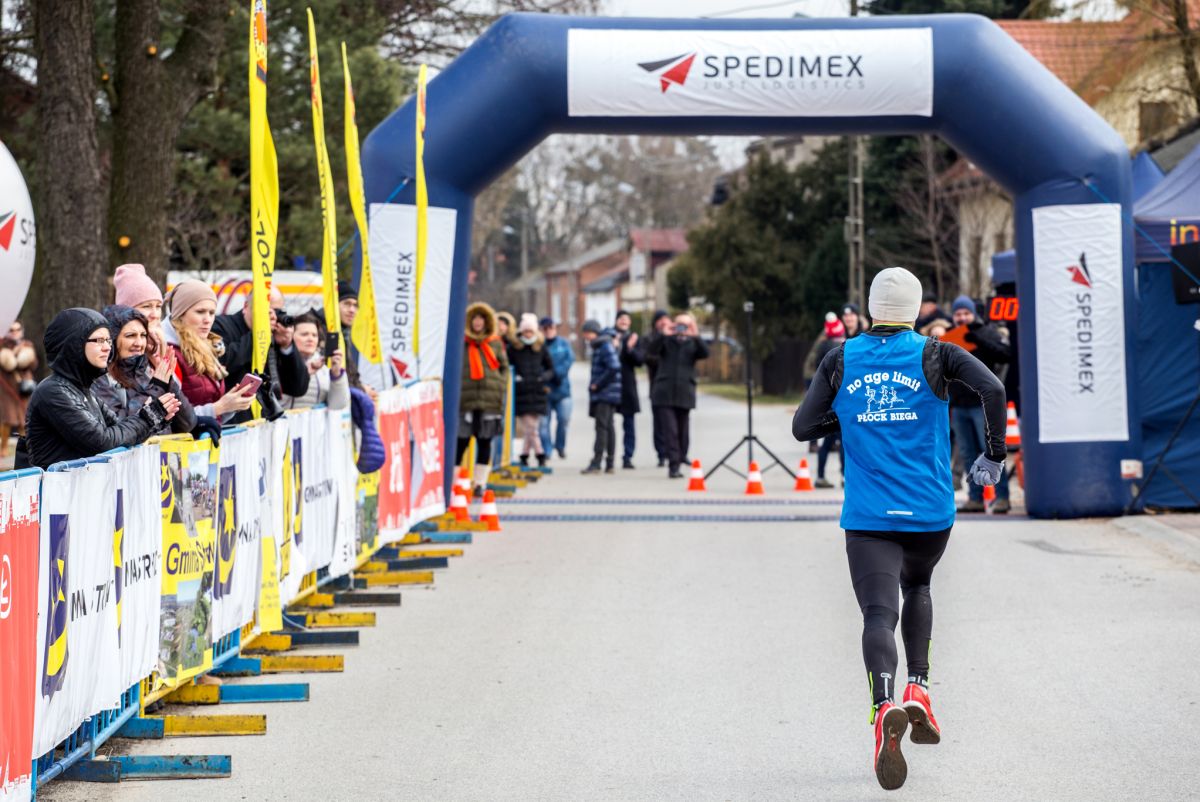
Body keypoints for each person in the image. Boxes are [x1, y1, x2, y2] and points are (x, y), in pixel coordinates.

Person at [791, 267, 1007, 791]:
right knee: (919, 586)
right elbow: (994, 387)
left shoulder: (841, 357)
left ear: (870, 307)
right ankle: (919, 688)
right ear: (915, 309)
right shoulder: (937, 353)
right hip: (929, 511)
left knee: (877, 613)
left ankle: (884, 703)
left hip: (869, 515)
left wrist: (849, 418)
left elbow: (802, 427)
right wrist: (994, 455)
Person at [19, 308, 180, 470]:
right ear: (74, 344)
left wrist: (156, 419)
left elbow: (121, 431)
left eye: (108, 340)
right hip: (58, 485)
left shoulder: (83, 389)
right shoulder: (53, 391)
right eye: (99, 340)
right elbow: (103, 443)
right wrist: (149, 417)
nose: (107, 347)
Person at [946, 294, 1012, 513]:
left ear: (973, 314)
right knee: (967, 453)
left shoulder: (986, 332)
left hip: (982, 404)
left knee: (990, 451)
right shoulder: (950, 337)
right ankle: (975, 498)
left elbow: (1005, 355)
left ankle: (1002, 497)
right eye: (958, 314)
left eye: (966, 313)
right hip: (959, 405)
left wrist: (978, 340)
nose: (962, 317)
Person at [92, 305, 199, 438]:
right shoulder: (100, 379)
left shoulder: (147, 371)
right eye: (130, 336)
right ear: (112, 339)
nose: (139, 343)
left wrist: (168, 382)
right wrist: (157, 387)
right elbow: (122, 431)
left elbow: (187, 424)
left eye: (143, 335)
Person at [212, 285, 309, 423]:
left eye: (277, 311)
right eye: (266, 311)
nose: (273, 317)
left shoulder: (274, 335)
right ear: (246, 307)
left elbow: (298, 388)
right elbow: (221, 364)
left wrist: (287, 346)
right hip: (232, 426)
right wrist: (259, 334)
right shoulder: (221, 326)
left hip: (265, 425)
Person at [165, 280, 257, 423]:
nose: (207, 319)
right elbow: (173, 419)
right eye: (200, 312)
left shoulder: (208, 347)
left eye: (212, 313)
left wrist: (231, 405)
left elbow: (212, 413)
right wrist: (219, 407)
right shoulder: (168, 352)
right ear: (180, 314)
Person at [645, 313, 709, 478]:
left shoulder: (693, 343)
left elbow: (705, 353)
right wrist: (664, 334)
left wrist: (695, 335)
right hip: (664, 392)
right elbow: (651, 351)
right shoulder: (666, 341)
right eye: (679, 324)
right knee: (670, 430)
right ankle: (674, 465)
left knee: (682, 430)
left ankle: (681, 457)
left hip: (684, 392)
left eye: (686, 325)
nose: (681, 328)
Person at [457, 302, 508, 495]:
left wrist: (500, 385)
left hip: (489, 400)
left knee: (485, 441)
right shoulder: (462, 342)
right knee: (461, 442)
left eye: (481, 319)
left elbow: (504, 367)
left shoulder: (495, 343)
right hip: (466, 401)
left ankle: (480, 483)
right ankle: (456, 482)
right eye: (475, 319)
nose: (478, 322)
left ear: (487, 322)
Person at [505, 313, 555, 467]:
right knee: (531, 427)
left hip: (537, 392)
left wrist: (543, 378)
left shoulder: (541, 347)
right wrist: (516, 378)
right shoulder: (514, 348)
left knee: (531, 427)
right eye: (525, 331)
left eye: (530, 331)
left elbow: (550, 368)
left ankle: (524, 455)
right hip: (521, 392)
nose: (528, 334)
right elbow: (507, 366)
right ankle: (540, 454)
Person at [281, 313, 349, 410]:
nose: (310, 339)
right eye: (304, 334)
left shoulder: (324, 370)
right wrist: (304, 374)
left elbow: (337, 405)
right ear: (290, 336)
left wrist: (336, 375)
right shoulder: (279, 364)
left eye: (314, 335)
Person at [580, 319, 620, 474]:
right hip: (609, 393)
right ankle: (610, 463)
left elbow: (614, 367)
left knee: (602, 427)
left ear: (594, 332)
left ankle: (597, 462)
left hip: (605, 393)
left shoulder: (604, 346)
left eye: (587, 333)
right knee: (608, 426)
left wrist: (598, 384)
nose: (585, 337)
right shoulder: (603, 345)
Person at [814, 313, 846, 489]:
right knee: (843, 442)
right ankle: (844, 476)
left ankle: (820, 476)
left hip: (826, 401)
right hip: (839, 401)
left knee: (826, 443)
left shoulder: (821, 347)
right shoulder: (840, 349)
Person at [113, 263, 166, 360]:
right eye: (146, 306)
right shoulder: (112, 351)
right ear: (127, 310)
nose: (155, 315)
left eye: (158, 306)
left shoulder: (162, 346)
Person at [0, 320, 37, 457]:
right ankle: (3, 448)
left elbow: (33, 364)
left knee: (24, 419)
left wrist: (25, 357)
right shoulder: (2, 344)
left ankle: (25, 448)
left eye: (17, 329)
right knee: (7, 419)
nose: (15, 332)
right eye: (12, 330)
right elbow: (6, 364)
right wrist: (11, 354)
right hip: (8, 388)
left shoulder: (27, 344)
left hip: (24, 387)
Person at [539, 317, 573, 460]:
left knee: (563, 420)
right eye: (545, 328)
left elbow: (569, 360)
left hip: (562, 389)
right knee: (543, 424)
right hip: (544, 389)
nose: (548, 331)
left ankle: (560, 446)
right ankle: (547, 450)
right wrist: (545, 375)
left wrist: (556, 373)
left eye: (551, 328)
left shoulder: (563, 344)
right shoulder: (538, 345)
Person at [614, 310, 644, 469]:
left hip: (627, 385)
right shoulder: (610, 336)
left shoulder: (634, 338)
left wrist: (630, 348)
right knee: (607, 423)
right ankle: (608, 456)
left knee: (629, 424)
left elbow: (640, 361)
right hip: (611, 385)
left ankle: (628, 456)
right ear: (616, 321)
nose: (624, 321)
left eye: (627, 319)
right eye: (621, 319)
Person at [643, 310, 673, 467]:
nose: (663, 322)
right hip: (657, 386)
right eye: (660, 319)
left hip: (675, 387)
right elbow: (648, 357)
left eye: (666, 319)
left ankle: (675, 453)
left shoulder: (676, 336)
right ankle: (661, 453)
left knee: (675, 423)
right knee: (659, 423)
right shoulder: (650, 338)